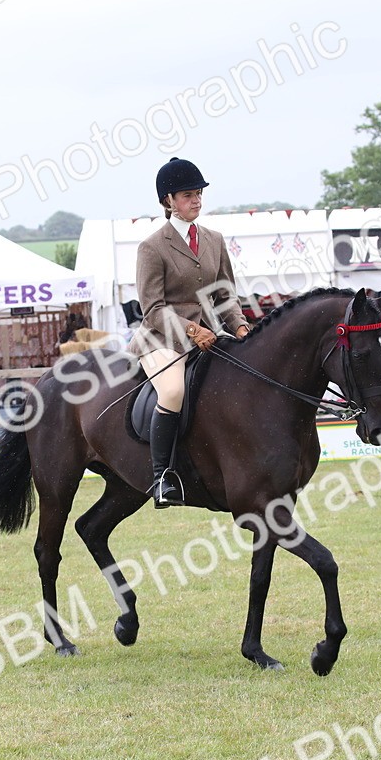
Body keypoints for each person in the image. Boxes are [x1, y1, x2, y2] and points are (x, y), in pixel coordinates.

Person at [127, 157, 250, 508]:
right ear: (168, 201)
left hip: (209, 335)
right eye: (187, 195)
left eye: (198, 194)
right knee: (174, 390)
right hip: (161, 338)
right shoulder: (152, 247)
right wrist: (193, 330)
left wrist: (240, 326)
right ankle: (162, 477)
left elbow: (224, 294)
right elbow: (152, 308)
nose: (196, 200)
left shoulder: (214, 239)